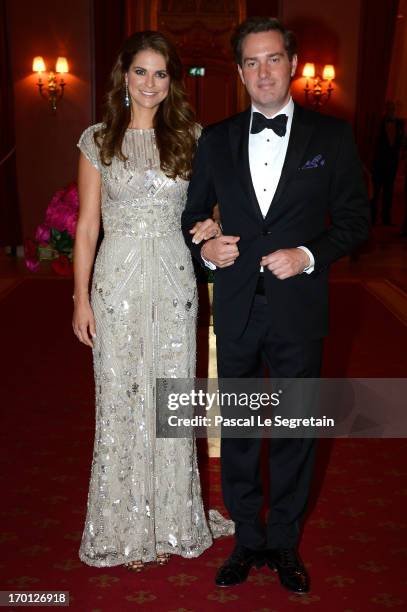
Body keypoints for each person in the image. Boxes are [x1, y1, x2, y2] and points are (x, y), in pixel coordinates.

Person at [182, 17, 370, 592]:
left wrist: (309, 255)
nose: (263, 72)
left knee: (294, 428)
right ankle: (246, 540)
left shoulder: (332, 138)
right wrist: (208, 247)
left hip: (298, 309)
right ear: (240, 72)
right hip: (237, 307)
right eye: (252, 62)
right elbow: (192, 218)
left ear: (292, 63)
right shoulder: (214, 139)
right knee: (238, 429)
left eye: (273, 59)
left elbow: (357, 223)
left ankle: (284, 542)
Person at [72, 30, 231, 571]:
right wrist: (80, 299)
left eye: (160, 73)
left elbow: (208, 213)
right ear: (123, 75)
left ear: (172, 82)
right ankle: (122, 523)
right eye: (141, 71)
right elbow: (88, 227)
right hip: (115, 281)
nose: (150, 83)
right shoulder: (98, 139)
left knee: (171, 397)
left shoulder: (192, 136)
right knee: (119, 398)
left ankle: (172, 519)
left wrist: (213, 222)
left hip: (172, 280)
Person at [371, 100, 405, 225]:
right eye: (389, 108)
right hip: (378, 163)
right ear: (385, 109)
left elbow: (401, 142)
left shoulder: (401, 124)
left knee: (388, 192)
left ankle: (386, 218)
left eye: (393, 108)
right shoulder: (378, 123)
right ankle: (373, 218)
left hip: (392, 164)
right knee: (375, 192)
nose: (391, 110)